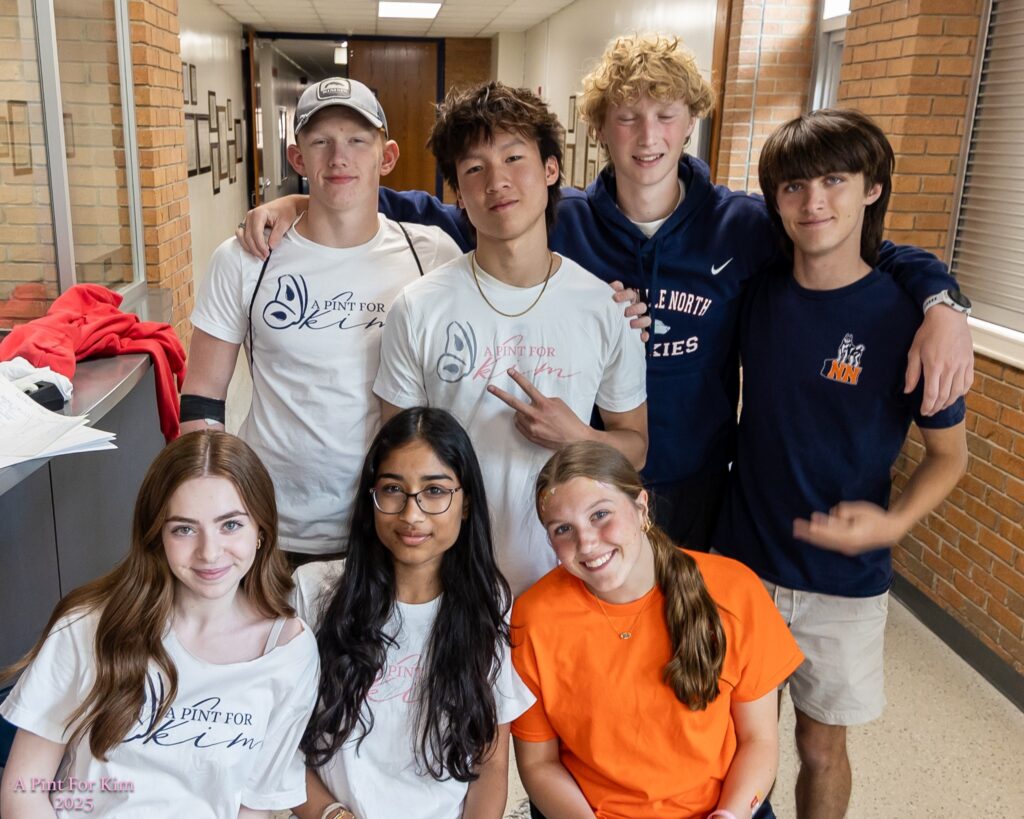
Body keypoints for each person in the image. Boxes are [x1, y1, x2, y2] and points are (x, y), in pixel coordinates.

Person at [238, 34, 974, 552]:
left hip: (696, 481)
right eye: (626, 117)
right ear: (598, 131)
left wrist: (942, 301)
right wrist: (297, 202)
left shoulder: (743, 225)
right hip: (582, 488)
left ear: (692, 121)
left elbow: (854, 246)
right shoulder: (561, 217)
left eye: (666, 114)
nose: (647, 136)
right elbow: (404, 200)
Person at [712, 109, 969, 819]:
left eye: (834, 181)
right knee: (737, 740)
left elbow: (949, 456)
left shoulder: (910, 319)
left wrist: (893, 524)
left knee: (821, 747)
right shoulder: (758, 291)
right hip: (744, 563)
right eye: (794, 187)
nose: (814, 203)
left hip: (844, 586)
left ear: (871, 188)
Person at [373, 83, 648, 595]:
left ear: (551, 169)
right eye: (475, 168)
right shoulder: (418, 307)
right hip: (451, 580)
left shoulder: (606, 309)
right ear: (459, 193)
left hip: (571, 574)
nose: (497, 181)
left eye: (514, 158)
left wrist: (577, 437)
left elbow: (636, 448)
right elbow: (397, 455)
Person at [180, 77, 463, 560]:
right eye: (320, 142)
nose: (338, 158)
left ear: (387, 156)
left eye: (357, 141)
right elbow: (203, 396)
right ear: (297, 158)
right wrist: (212, 509)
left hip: (391, 525)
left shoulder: (431, 254)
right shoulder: (246, 257)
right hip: (270, 522)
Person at [0, 431, 319, 818]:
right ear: (157, 537)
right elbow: (24, 789)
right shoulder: (88, 625)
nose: (209, 552)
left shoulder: (289, 652)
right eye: (184, 529)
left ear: (261, 531)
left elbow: (254, 807)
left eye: (230, 525)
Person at [511, 441, 804, 818]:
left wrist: (730, 814)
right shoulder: (534, 617)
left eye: (600, 514)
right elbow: (539, 764)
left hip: (722, 809)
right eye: (563, 529)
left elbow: (758, 740)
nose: (586, 542)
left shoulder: (734, 591)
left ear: (641, 506)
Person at [290, 407, 535, 819]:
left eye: (435, 490)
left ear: (466, 502)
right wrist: (332, 814)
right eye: (392, 489)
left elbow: (491, 762)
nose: (411, 514)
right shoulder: (313, 590)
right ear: (371, 496)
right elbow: (277, 744)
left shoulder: (490, 601)